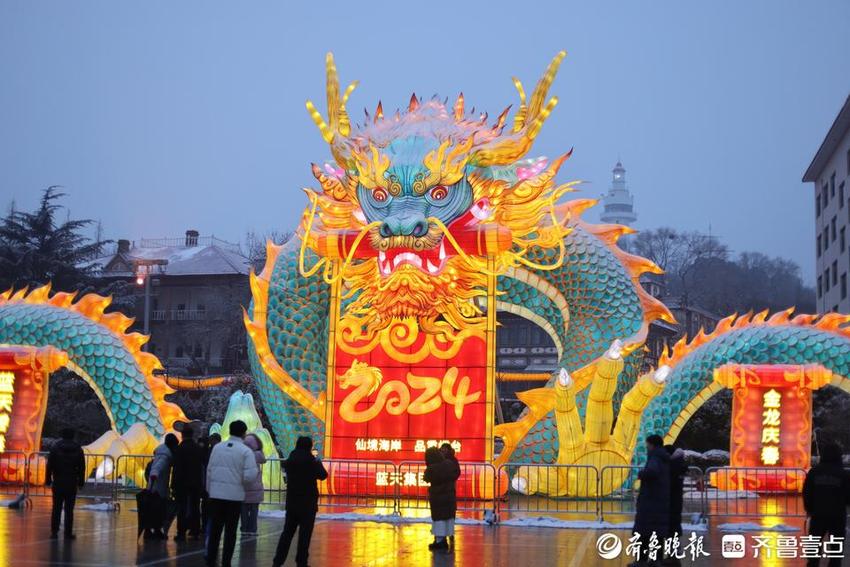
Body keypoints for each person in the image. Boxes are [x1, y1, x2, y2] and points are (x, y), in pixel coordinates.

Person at [205, 421, 258, 567]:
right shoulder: (245, 451)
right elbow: (249, 476)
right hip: (234, 497)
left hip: (216, 496)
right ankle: (226, 562)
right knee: (230, 532)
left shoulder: (217, 448)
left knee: (215, 531)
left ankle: (210, 560)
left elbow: (209, 470)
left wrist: (210, 490)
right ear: (244, 433)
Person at [273, 436, 328, 567]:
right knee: (305, 535)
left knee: (287, 533)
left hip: (292, 503)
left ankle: (277, 561)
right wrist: (318, 461)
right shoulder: (312, 461)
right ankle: (301, 562)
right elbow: (323, 475)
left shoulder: (290, 460)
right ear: (309, 446)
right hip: (308, 504)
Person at [803, 442, 850, 567]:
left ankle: (812, 564)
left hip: (818, 514)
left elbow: (807, 492)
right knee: (836, 548)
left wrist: (809, 508)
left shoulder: (814, 472)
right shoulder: (844, 474)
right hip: (837, 515)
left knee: (814, 544)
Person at [629, 434, 670, 567]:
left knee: (643, 532)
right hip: (661, 500)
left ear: (652, 445)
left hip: (650, 500)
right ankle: (657, 560)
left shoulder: (655, 457)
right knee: (657, 532)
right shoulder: (665, 458)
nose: (646, 447)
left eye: (647, 445)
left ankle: (641, 561)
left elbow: (652, 472)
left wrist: (642, 474)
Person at [45, 427, 86, 540]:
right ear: (73, 436)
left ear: (62, 435)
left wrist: (48, 480)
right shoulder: (78, 449)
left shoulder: (55, 448)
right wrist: (81, 482)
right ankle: (68, 533)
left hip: (58, 481)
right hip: (71, 482)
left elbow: (50, 466)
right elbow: (82, 467)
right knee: (69, 509)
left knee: (56, 508)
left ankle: (54, 532)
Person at [423, 446, 458, 552]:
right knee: (448, 518)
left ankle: (439, 541)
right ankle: (446, 538)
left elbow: (426, 478)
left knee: (439, 520)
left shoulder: (432, 469)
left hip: (438, 497)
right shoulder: (449, 464)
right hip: (449, 497)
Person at [173, 428, 204, 541]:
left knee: (182, 507)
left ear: (182, 435)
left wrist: (173, 484)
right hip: (195, 482)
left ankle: (181, 532)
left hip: (182, 483)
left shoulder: (179, 449)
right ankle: (195, 530)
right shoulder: (197, 448)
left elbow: (177, 468)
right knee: (195, 507)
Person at [146, 433, 179, 540]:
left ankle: (150, 530)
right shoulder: (165, 455)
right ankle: (155, 530)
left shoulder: (161, 452)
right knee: (158, 509)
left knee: (152, 509)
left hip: (155, 485)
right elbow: (158, 467)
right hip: (158, 487)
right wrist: (154, 475)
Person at [241, 433, 267, 537]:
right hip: (256, 488)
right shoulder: (257, 454)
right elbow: (263, 460)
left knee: (243, 510)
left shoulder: (242, 453)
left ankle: (244, 528)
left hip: (243, 487)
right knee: (254, 510)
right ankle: (252, 529)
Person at [439, 443, 461, 547]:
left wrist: (450, 478)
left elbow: (457, 472)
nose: (443, 451)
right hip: (440, 489)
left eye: (445, 449)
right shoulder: (438, 459)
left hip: (450, 488)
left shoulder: (453, 460)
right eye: (442, 449)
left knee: (451, 510)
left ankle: (450, 531)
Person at [665, 444, 686, 541]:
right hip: (676, 496)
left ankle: (673, 543)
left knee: (672, 519)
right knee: (675, 518)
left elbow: (671, 482)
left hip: (672, 496)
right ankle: (674, 541)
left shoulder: (673, 465)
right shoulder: (679, 463)